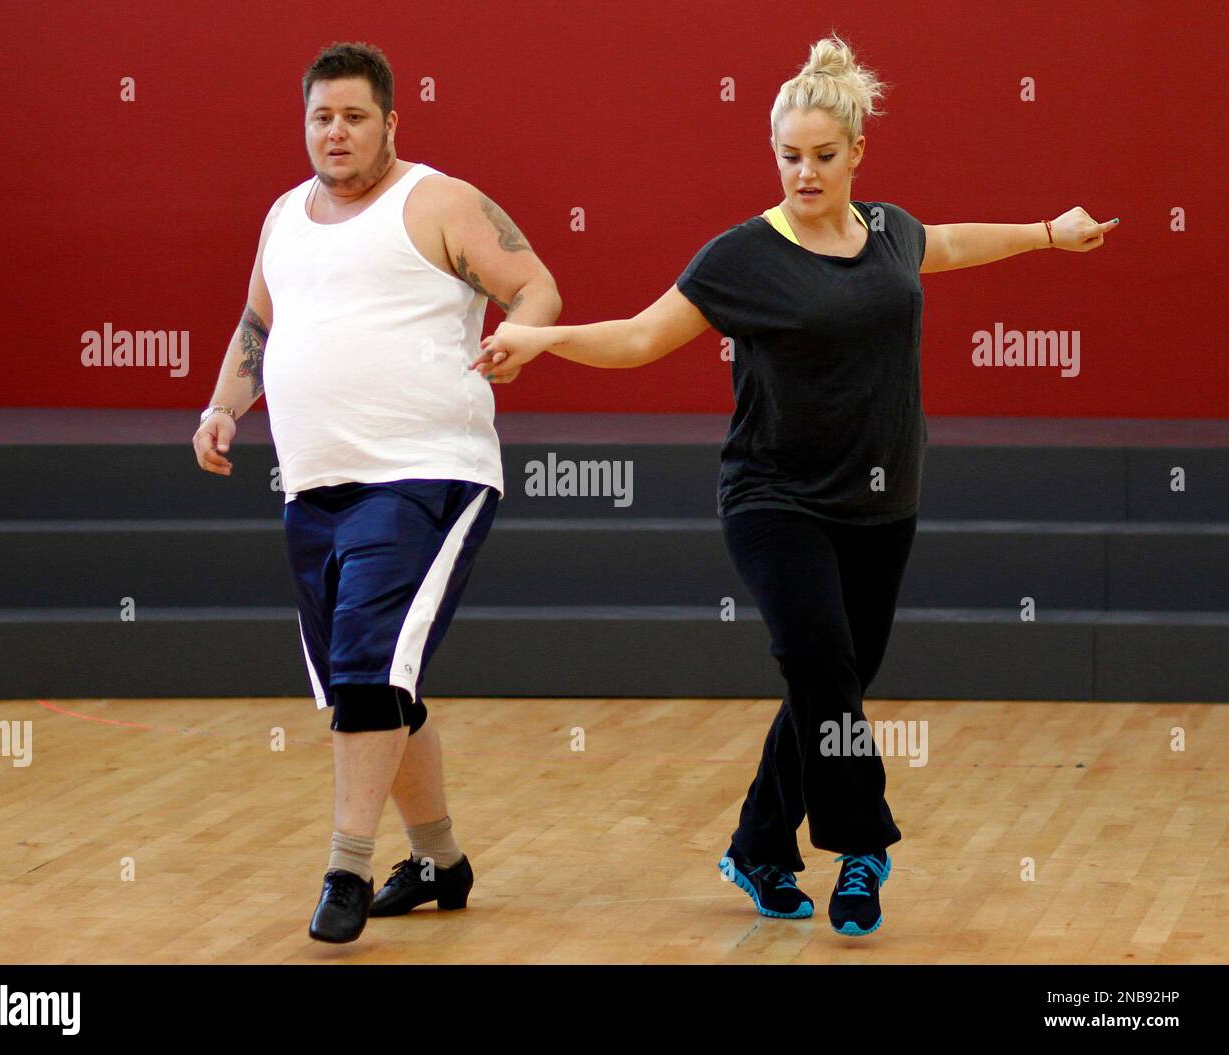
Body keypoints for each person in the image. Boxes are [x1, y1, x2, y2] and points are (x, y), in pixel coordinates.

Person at [472, 34, 1117, 937]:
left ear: (857, 152)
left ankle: (759, 846)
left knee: (833, 684)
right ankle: (862, 849)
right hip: (775, 499)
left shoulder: (890, 231)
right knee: (822, 664)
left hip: (882, 504)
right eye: (788, 157)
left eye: (821, 156)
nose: (803, 174)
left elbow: (955, 244)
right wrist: (543, 339)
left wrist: (1051, 233)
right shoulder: (742, 256)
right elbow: (638, 337)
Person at [191, 41, 561, 943]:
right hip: (314, 485)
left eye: (355, 116)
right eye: (322, 116)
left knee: (366, 665)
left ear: (391, 122)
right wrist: (222, 406)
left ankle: (344, 867)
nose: (337, 132)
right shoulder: (284, 215)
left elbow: (535, 284)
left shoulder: (437, 200)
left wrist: (526, 335)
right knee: (378, 679)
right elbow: (257, 322)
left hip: (427, 474)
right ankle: (439, 860)